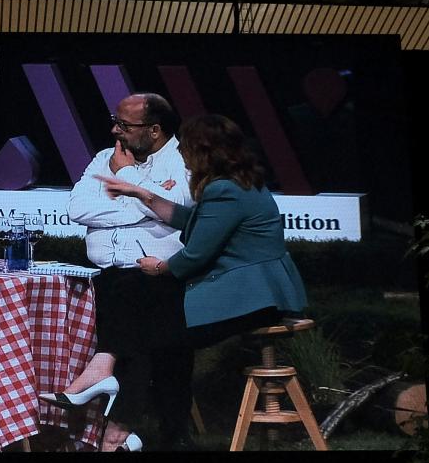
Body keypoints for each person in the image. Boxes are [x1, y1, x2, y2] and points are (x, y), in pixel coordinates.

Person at [96, 111, 310, 345]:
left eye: (185, 146)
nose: (180, 151)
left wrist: (159, 267)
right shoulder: (243, 182)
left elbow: (195, 256)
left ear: (203, 152)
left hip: (250, 300)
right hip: (260, 296)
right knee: (132, 290)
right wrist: (142, 194)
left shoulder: (224, 191)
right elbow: (195, 221)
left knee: (148, 313)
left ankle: (112, 371)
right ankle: (107, 369)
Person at [63, 93, 196, 451]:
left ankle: (109, 402)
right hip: (108, 277)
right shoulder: (104, 157)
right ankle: (126, 430)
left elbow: (180, 208)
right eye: (115, 121)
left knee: (140, 303)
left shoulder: (184, 161)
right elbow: (78, 207)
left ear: (154, 130)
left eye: (124, 125)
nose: (114, 130)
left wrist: (126, 180)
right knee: (138, 317)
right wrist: (142, 205)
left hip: (165, 278)